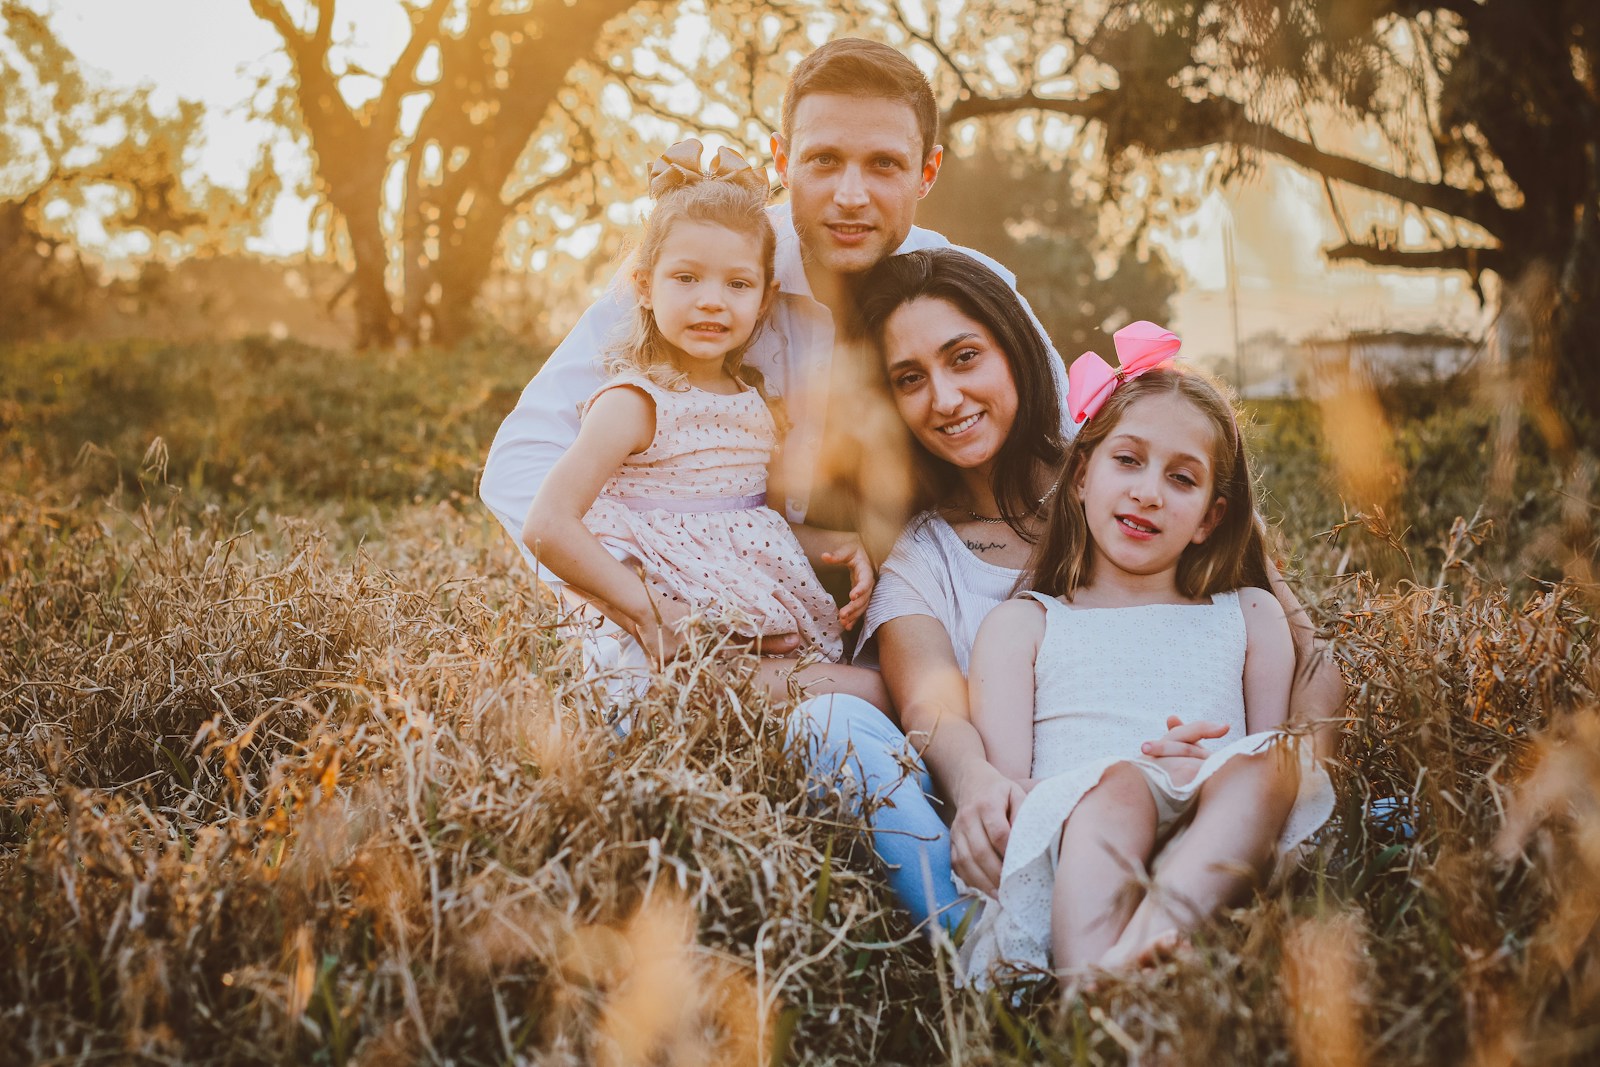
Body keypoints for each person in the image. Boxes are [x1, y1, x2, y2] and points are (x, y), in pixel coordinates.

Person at [799, 250, 1345, 933]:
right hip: (1032, 812)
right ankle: (995, 944)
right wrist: (976, 784)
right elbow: (928, 700)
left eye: (964, 357)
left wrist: (1278, 783)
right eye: (910, 379)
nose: (944, 398)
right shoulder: (923, 555)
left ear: (1015, 352)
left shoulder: (1139, 481)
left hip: (1207, 804)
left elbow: (1311, 654)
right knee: (825, 723)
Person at [479, 37, 1069, 640]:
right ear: (782, 160)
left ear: (927, 172)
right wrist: (643, 605)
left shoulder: (968, 295)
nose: (851, 196)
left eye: (884, 164)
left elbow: (1061, 452)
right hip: (685, 614)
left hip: (908, 623)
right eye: (824, 160)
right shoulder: (704, 269)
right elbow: (523, 461)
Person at [956, 331, 1335, 988]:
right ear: (1081, 477)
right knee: (1122, 788)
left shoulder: (1249, 614)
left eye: (1181, 477)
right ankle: (1098, 968)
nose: (1149, 492)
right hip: (1084, 840)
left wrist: (1207, 768)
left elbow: (1266, 760)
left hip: (1211, 846)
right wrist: (1133, 768)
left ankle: (1135, 953)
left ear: (1210, 518)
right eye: (1128, 460)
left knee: (1268, 759)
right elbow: (1012, 799)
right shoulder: (1025, 624)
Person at [522, 141, 886, 708]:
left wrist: (830, 544)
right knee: (872, 693)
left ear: (765, 299)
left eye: (737, 285)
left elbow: (741, 520)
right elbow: (547, 524)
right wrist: (655, 619)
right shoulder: (636, 403)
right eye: (687, 278)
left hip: (743, 635)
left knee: (868, 692)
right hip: (668, 650)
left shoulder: (753, 402)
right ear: (644, 286)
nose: (712, 302)